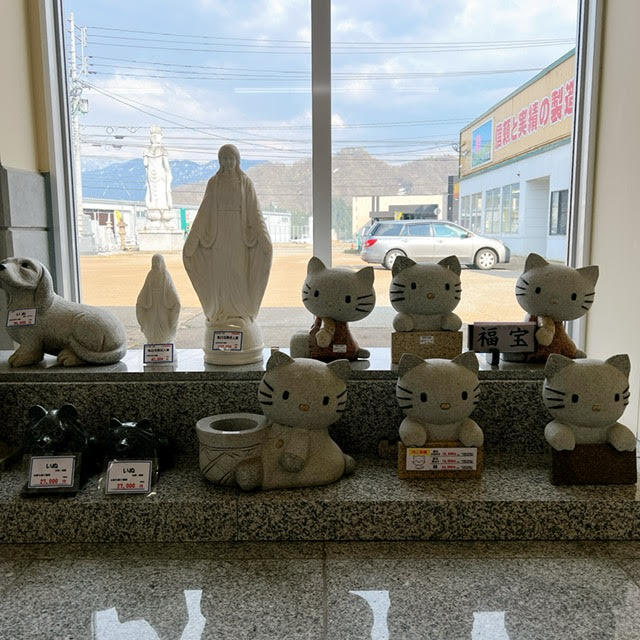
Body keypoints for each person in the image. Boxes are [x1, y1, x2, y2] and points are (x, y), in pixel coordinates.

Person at [182, 144, 272, 326]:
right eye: (224, 159)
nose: (228, 162)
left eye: (231, 158)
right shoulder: (214, 183)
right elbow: (204, 212)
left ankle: (240, 312)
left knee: (238, 272)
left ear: (237, 160)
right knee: (221, 273)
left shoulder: (245, 182)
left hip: (238, 235)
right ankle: (221, 312)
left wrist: (263, 236)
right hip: (218, 235)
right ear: (220, 161)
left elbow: (254, 212)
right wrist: (193, 237)